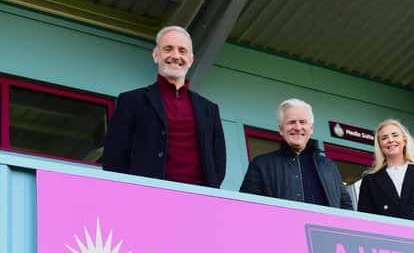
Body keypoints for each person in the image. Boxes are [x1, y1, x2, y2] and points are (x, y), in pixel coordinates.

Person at [103, 26, 226, 188]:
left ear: (191, 60)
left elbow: (218, 164)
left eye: (182, 51)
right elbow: (114, 158)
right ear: (156, 55)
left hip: (199, 201)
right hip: (146, 198)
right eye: (168, 49)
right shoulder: (131, 101)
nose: (176, 56)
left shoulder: (209, 110)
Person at [240, 98, 352, 209]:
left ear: (311, 128)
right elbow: (248, 208)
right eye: (291, 122)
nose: (298, 127)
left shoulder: (328, 166)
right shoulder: (262, 165)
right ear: (281, 129)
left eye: (302, 122)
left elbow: (346, 207)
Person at [357, 119, 414, 223]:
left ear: (404, 140)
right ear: (380, 145)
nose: (390, 140)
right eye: (384, 138)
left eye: (395, 135)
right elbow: (366, 218)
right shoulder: (370, 180)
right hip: (388, 237)